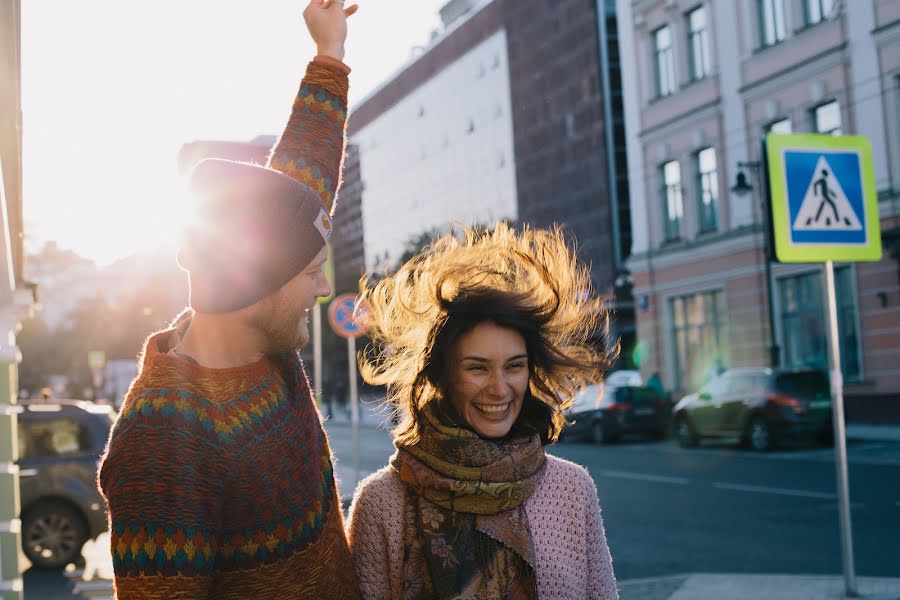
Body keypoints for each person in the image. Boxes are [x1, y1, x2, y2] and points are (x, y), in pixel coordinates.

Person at [97, 1, 360, 598]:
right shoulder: (166, 437)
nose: (322, 289)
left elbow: (302, 177)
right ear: (256, 279)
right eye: (312, 273)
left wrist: (329, 52)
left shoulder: (264, 344)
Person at [347, 224, 619, 599]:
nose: (498, 388)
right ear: (442, 375)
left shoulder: (572, 491)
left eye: (514, 366)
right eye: (477, 367)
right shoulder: (382, 502)